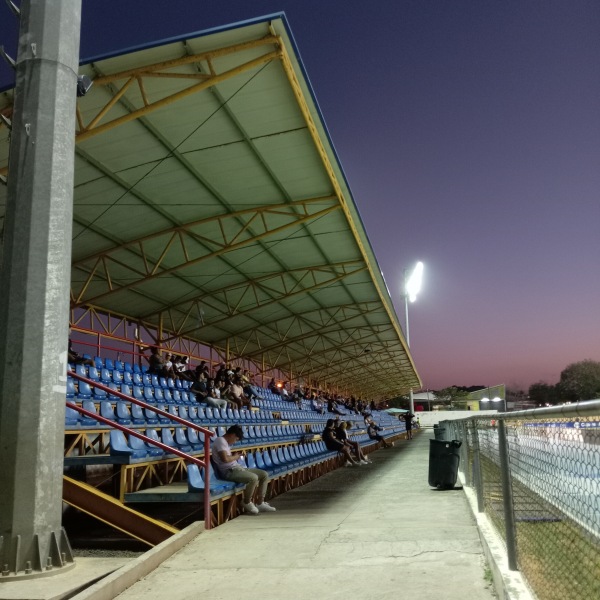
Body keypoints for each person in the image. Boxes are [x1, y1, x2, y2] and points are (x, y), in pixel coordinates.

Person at [212, 425, 276, 515]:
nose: (234, 442)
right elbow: (225, 459)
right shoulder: (220, 440)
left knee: (264, 474)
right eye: (236, 439)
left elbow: (227, 457)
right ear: (232, 435)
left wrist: (234, 457)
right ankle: (246, 502)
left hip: (237, 468)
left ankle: (260, 503)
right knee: (253, 478)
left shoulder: (225, 442)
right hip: (229, 471)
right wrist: (236, 456)